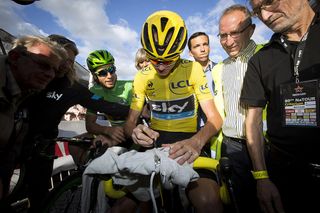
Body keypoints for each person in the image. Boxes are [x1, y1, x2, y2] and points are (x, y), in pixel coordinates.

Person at [124, 10, 223, 213]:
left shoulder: (193, 69)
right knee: (126, 206)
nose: (160, 66)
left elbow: (215, 118)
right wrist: (134, 132)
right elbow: (129, 123)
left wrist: (197, 141)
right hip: (155, 144)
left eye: (168, 60)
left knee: (209, 203)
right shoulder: (142, 77)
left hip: (190, 142)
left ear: (179, 52)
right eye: (154, 59)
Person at [23, 35, 130, 212]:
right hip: (12, 143)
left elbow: (103, 104)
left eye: (71, 61)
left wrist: (136, 111)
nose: (67, 65)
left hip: (42, 149)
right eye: (63, 59)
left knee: (38, 197)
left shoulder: (71, 86)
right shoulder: (28, 73)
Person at [240, 0, 320, 212]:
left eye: (269, 2)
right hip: (285, 177)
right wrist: (262, 177)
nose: (265, 16)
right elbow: (253, 122)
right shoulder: (260, 60)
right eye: (258, 11)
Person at [0, 35, 65, 203]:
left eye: (54, 70)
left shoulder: (25, 92)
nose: (50, 74)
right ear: (14, 57)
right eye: (43, 64)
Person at [214, 4, 264, 212]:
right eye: (223, 35)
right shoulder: (218, 69)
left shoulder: (267, 56)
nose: (228, 41)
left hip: (266, 145)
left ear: (251, 30)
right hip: (232, 147)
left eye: (234, 33)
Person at [85, 49, 133, 147]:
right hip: (115, 134)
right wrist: (107, 130)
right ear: (94, 76)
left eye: (111, 70)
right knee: (75, 146)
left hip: (134, 132)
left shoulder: (130, 85)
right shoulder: (95, 91)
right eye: (103, 73)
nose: (109, 76)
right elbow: (89, 125)